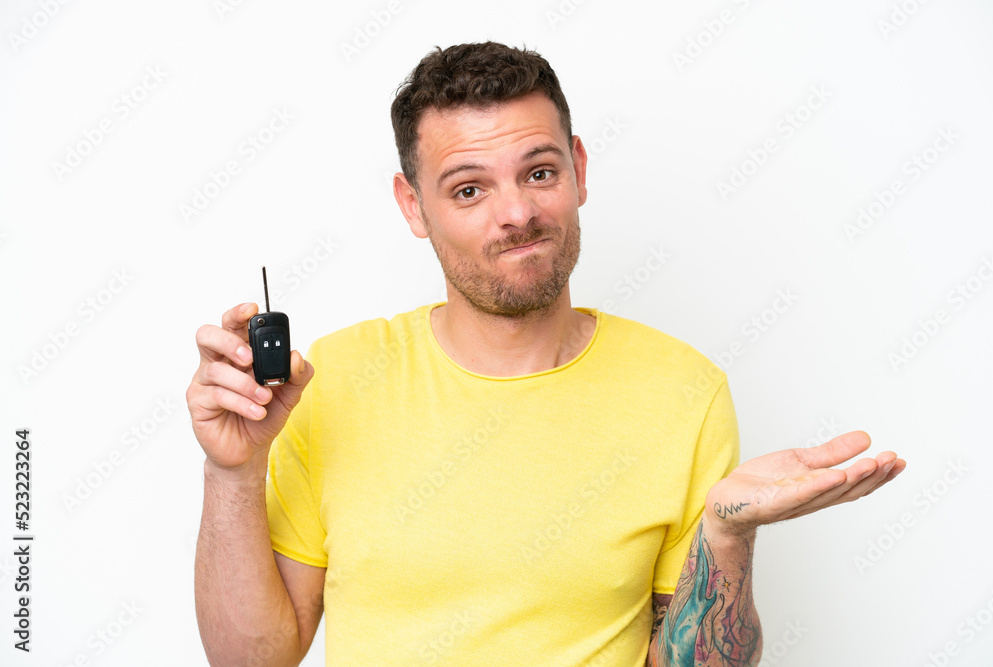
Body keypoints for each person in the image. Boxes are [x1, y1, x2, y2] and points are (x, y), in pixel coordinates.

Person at [187, 42, 906, 667]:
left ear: (579, 169)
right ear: (413, 207)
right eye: (469, 188)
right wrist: (234, 469)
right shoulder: (335, 379)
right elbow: (253, 656)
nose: (517, 213)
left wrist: (726, 533)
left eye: (538, 172)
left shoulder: (684, 391)